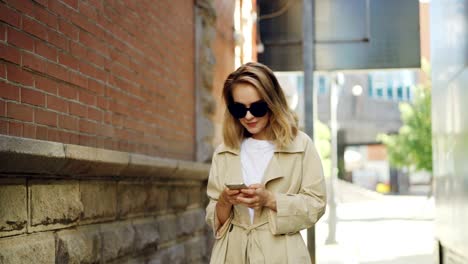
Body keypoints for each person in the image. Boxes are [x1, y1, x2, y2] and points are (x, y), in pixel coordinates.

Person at [205, 62, 327, 264]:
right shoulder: (224, 152)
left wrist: (270, 199)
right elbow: (213, 217)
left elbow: (316, 204)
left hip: (282, 255)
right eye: (239, 109)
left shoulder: (301, 145)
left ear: (273, 103)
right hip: (232, 256)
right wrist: (225, 201)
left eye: (258, 107)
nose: (248, 116)